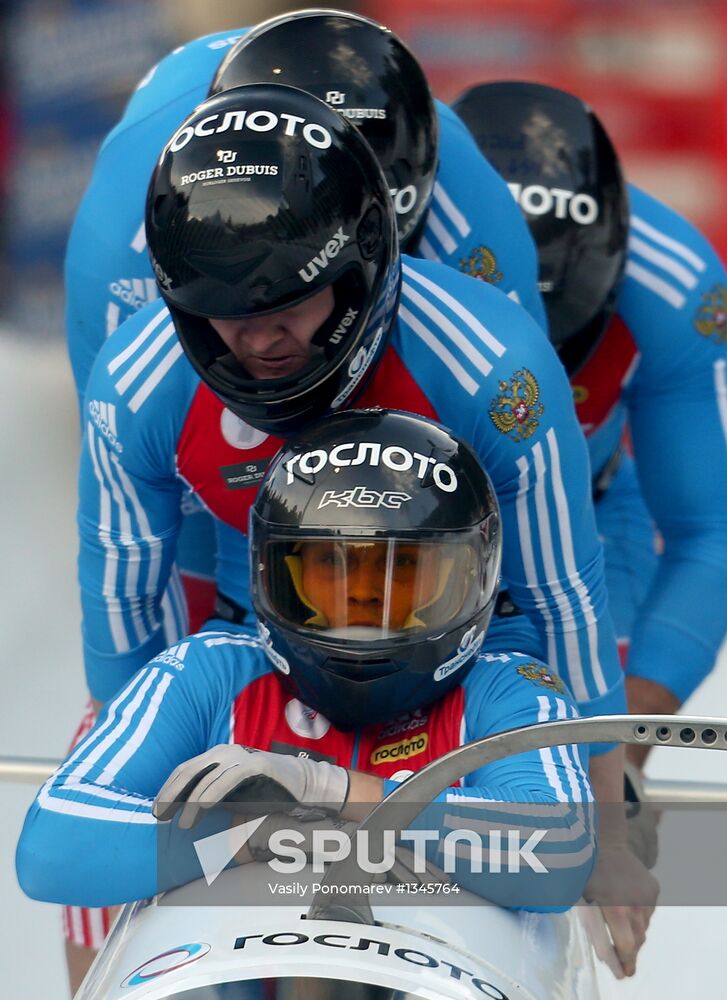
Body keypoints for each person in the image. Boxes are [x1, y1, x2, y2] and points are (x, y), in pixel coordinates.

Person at [73, 83, 652, 977]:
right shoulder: (136, 385)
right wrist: (192, 810)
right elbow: (125, 616)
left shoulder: (491, 367)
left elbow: (558, 597)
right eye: (226, 316)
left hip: (461, 640)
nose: (257, 342)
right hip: (257, 625)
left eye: (285, 308)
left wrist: (605, 823)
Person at [63, 9, 546, 642]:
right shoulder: (121, 248)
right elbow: (143, 485)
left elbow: (523, 457)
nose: (262, 332)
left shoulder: (470, 216)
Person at [18, 409, 597, 913]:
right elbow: (53, 849)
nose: (367, 594)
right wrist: (245, 837)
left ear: (471, 580)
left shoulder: (513, 691)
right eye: (334, 566)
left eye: (406, 572)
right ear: (277, 574)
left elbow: (562, 849)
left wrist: (331, 790)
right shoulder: (208, 675)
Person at [451, 82, 727, 782]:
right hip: (408, 521)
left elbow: (712, 534)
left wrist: (619, 749)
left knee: (584, 772)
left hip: (585, 513)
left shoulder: (675, 288)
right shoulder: (383, 249)